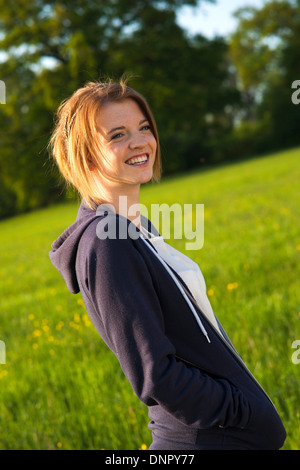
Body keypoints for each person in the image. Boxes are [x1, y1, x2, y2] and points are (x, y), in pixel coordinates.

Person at [49, 79, 286, 450]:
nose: (141, 141)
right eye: (117, 135)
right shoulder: (107, 243)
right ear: (87, 155)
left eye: (144, 127)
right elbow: (155, 375)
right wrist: (243, 412)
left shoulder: (135, 228)